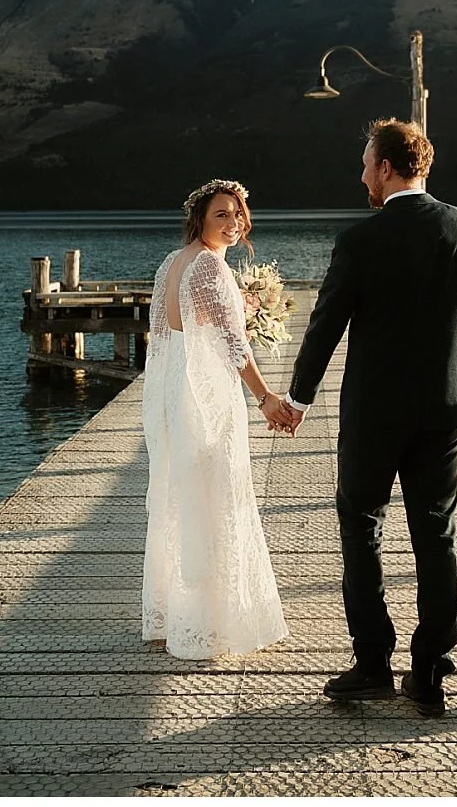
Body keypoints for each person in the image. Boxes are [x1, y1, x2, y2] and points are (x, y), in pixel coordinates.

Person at [264, 119, 457, 716]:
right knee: (435, 533)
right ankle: (429, 670)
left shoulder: (360, 240)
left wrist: (297, 399)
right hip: (447, 410)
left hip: (374, 414)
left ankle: (372, 663)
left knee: (361, 529)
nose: (362, 175)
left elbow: (325, 325)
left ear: (389, 169)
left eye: (367, 163)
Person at [142, 178, 290, 660]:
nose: (232, 224)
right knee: (217, 494)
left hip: (173, 388)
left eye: (237, 214)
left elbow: (164, 337)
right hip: (204, 395)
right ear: (200, 220)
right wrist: (266, 397)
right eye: (220, 215)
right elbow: (233, 347)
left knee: (182, 495)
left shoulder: (172, 262)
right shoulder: (209, 269)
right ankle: (212, 622)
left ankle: (175, 614)